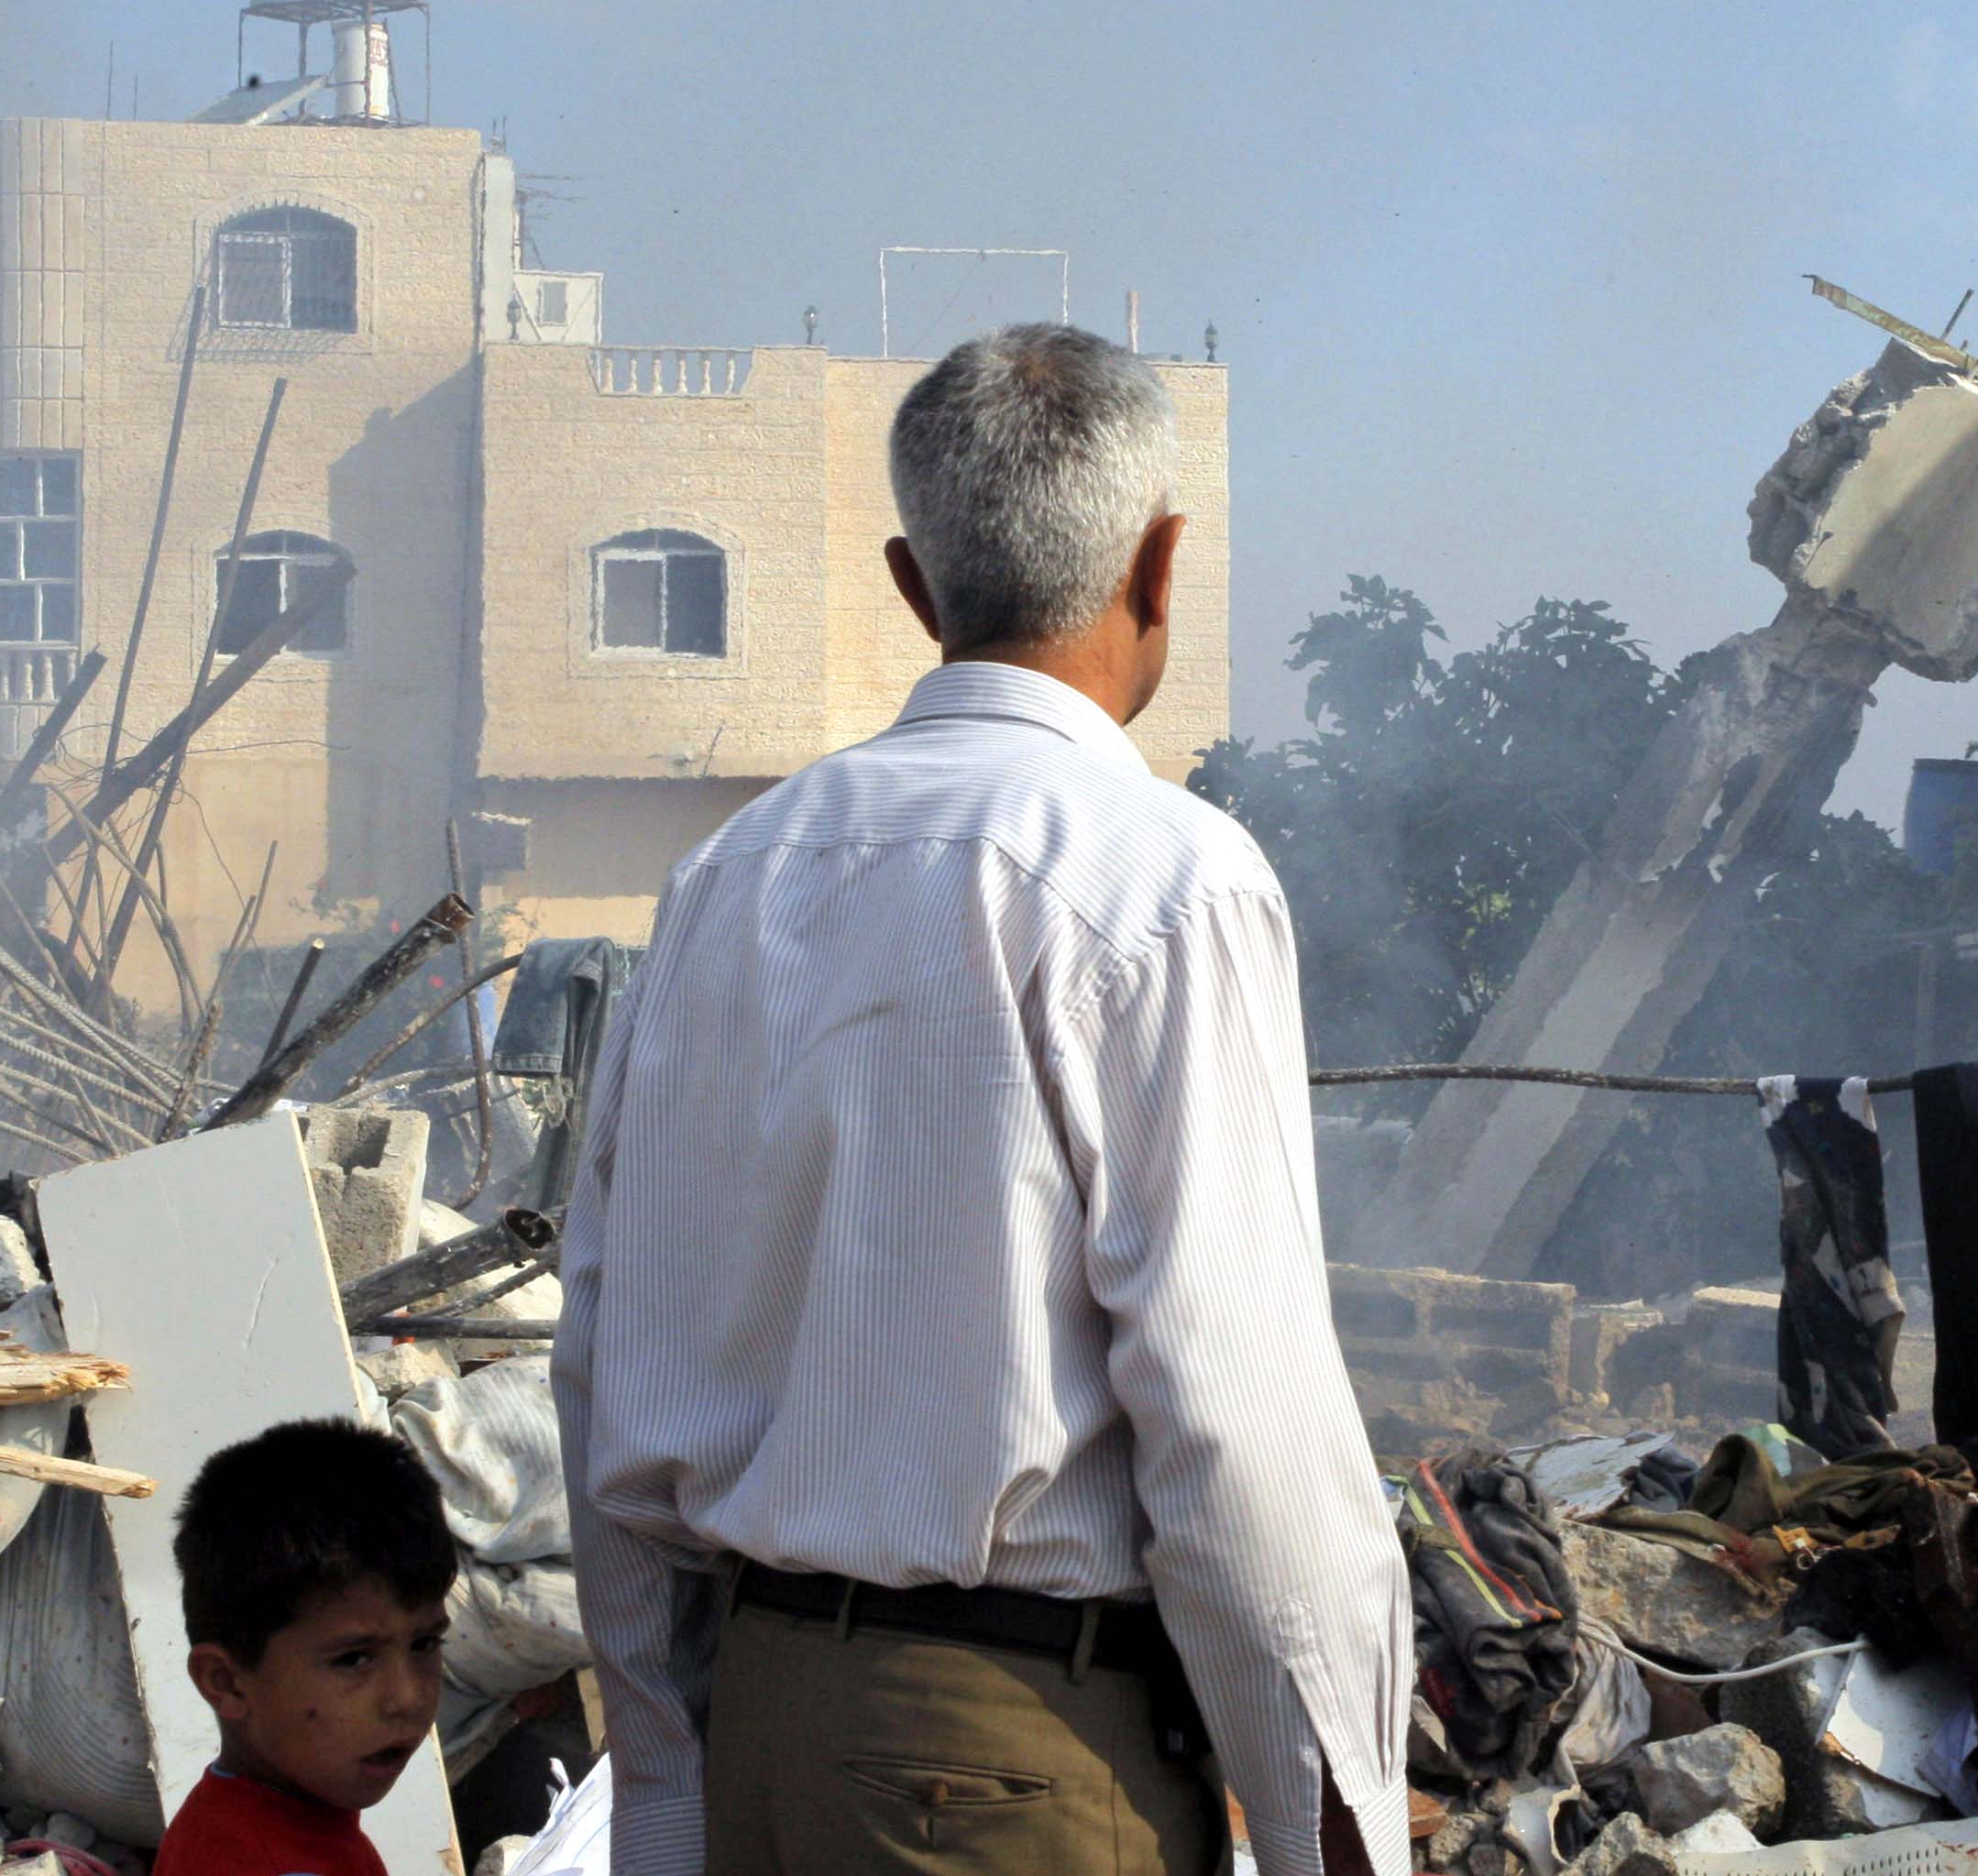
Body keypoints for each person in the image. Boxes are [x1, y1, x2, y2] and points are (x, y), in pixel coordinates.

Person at [556, 324, 1409, 1876]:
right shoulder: (1165, 875)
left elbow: (604, 1350)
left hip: (760, 1730)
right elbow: (1232, 1418)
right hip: (1007, 1767)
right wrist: (1327, 1829)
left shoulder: (725, 878)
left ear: (911, 585)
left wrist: (669, 1785)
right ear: (1160, 566)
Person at [157, 1420, 458, 1876]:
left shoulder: (238, 1821)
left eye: (424, 1644)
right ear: (226, 1682)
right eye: (354, 1658)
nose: (407, 1698)